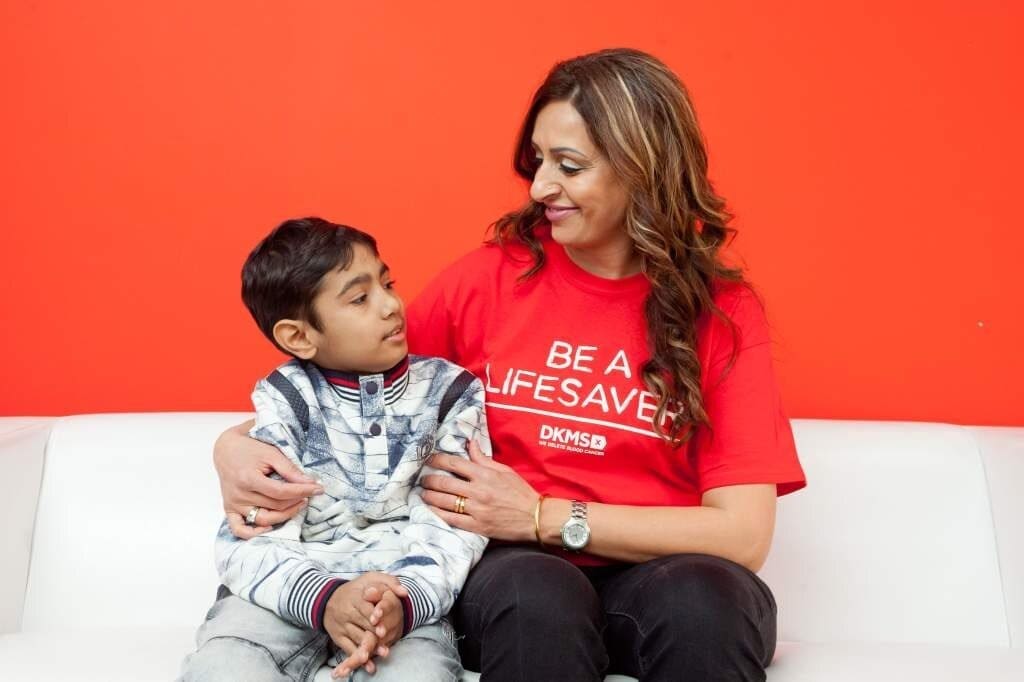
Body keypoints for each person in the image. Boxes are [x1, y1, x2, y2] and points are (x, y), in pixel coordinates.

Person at [213, 49, 806, 682]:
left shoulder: (721, 313)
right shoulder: (491, 280)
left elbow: (743, 536)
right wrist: (232, 447)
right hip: (516, 572)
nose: (540, 187)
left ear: (642, 171)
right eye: (539, 161)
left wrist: (540, 516)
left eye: (568, 166)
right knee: (536, 601)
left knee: (708, 603)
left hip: (663, 571)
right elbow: (358, 386)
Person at [181, 218, 490, 682]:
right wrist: (322, 599)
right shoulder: (284, 399)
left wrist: (407, 600)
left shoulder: (451, 393)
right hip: (284, 593)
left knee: (419, 675)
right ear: (299, 337)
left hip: (398, 598)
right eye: (361, 298)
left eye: (388, 284)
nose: (391, 306)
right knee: (224, 665)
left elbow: (455, 519)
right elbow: (252, 532)